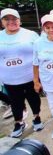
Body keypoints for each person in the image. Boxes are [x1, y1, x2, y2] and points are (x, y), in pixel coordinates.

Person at [0, 8, 44, 138]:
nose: (11, 22)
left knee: (34, 98)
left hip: (30, 76)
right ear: (2, 22)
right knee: (15, 102)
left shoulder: (30, 35)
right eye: (7, 19)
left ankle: (36, 117)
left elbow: (40, 53)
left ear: (19, 20)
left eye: (14, 19)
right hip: (9, 78)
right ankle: (18, 122)